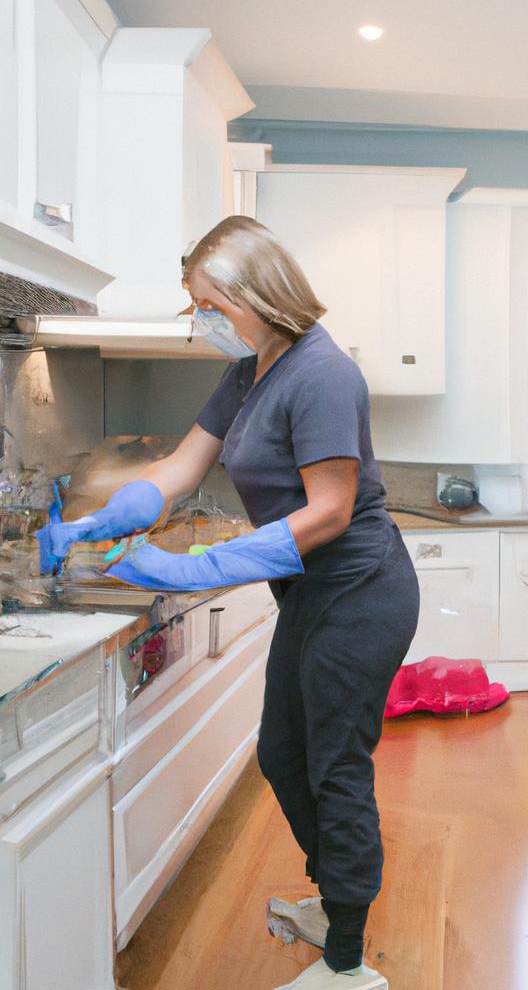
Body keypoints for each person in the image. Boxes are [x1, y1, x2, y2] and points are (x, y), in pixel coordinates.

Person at [37, 216, 417, 990]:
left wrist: (196, 566)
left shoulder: (322, 374)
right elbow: (182, 464)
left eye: (208, 303)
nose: (200, 319)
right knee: (283, 753)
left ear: (255, 294)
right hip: (310, 595)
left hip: (360, 591)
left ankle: (346, 961)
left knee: (335, 766)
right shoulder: (252, 370)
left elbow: (330, 512)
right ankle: (336, 897)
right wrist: (106, 516)